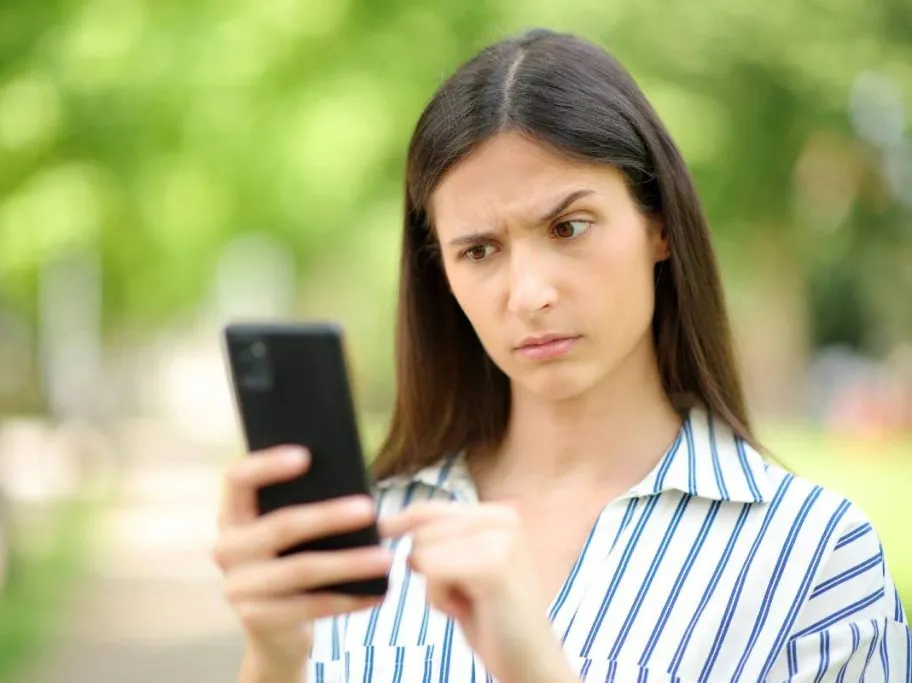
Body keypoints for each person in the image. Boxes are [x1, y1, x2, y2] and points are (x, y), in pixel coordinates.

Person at [212, 29, 911, 682]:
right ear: (442, 275)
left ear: (658, 225)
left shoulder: (814, 557)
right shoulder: (370, 540)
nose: (529, 293)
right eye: (479, 250)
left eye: (568, 226)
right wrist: (272, 655)